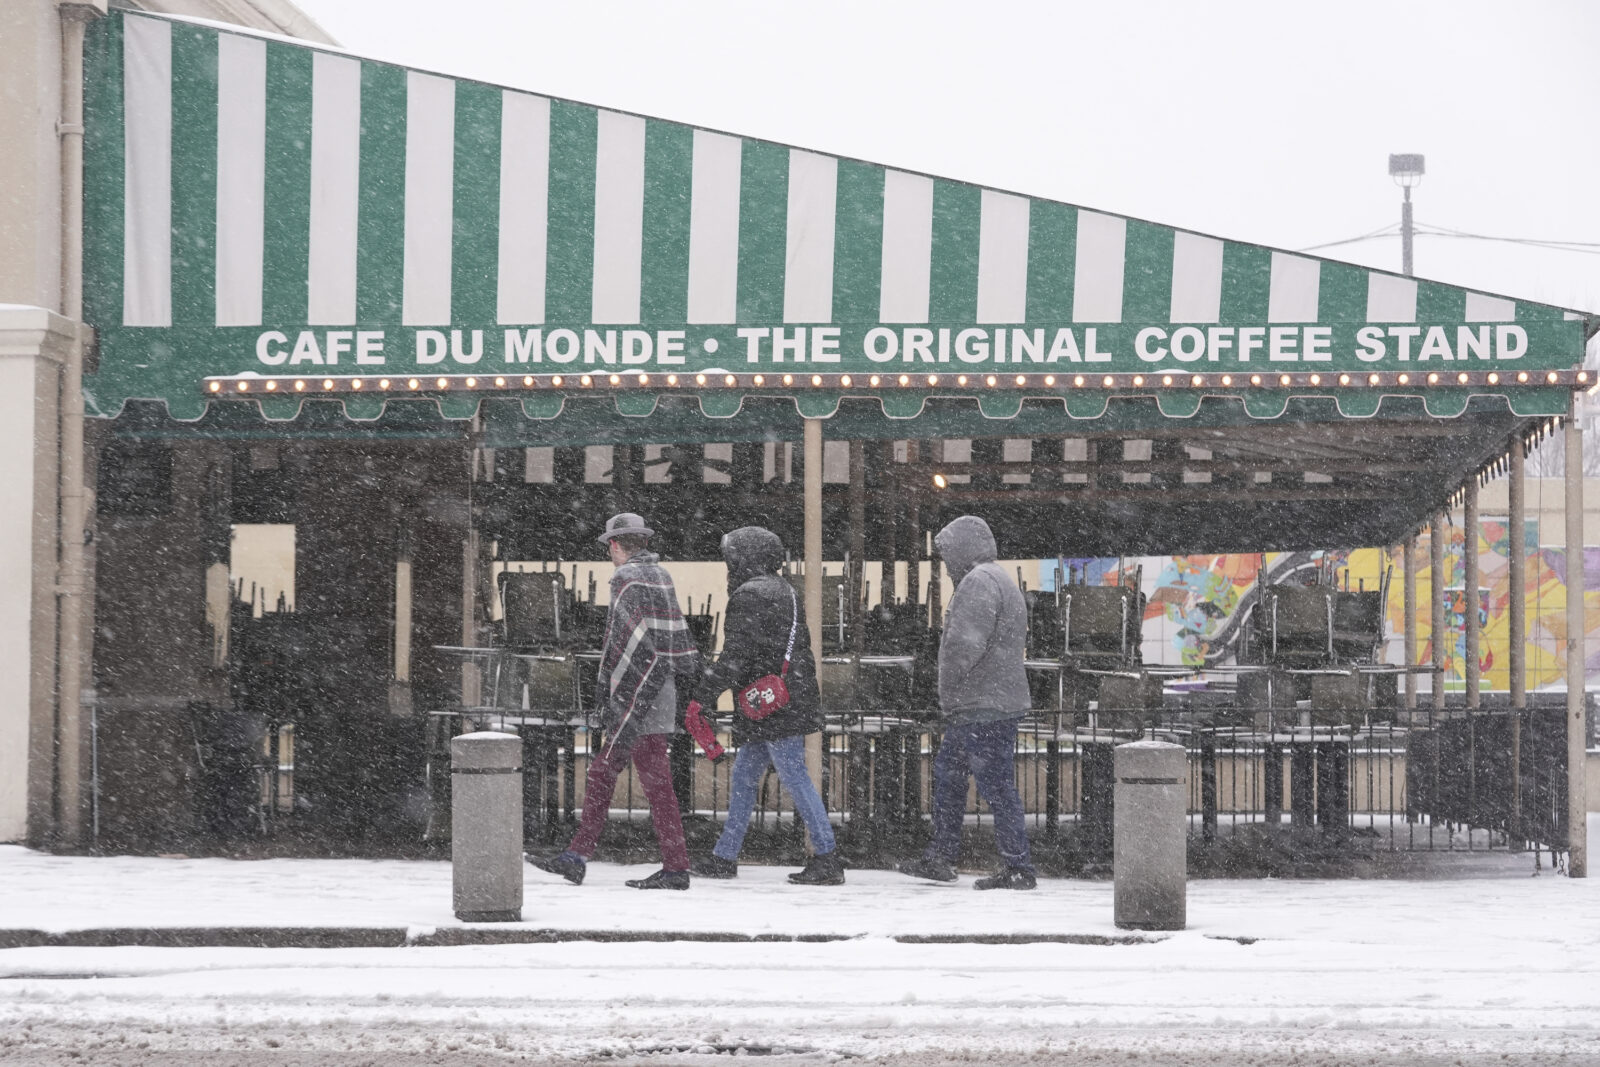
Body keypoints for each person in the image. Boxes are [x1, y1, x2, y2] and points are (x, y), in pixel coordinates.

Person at [529, 513, 701, 890]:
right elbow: (667, 638)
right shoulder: (662, 575)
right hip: (662, 688)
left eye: (609, 544)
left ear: (616, 543)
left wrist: (608, 684)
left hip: (638, 693)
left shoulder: (625, 578)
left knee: (634, 779)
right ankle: (579, 856)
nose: (609, 551)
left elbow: (620, 639)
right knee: (619, 775)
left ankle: (673, 867)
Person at [686, 526, 844, 886]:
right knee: (744, 776)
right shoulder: (785, 590)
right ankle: (725, 855)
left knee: (794, 775)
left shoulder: (749, 595)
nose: (728, 567)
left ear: (744, 558)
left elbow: (735, 658)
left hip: (770, 706)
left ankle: (827, 855)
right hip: (783, 697)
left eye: (731, 559)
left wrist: (703, 694)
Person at [899, 515, 1037, 890]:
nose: (945, 568)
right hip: (985, 704)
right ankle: (942, 856)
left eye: (946, 558)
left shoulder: (978, 582)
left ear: (962, 551)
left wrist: (943, 687)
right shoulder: (998, 578)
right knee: (952, 778)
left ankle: (1017, 867)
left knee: (993, 785)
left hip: (981, 706)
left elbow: (963, 646)